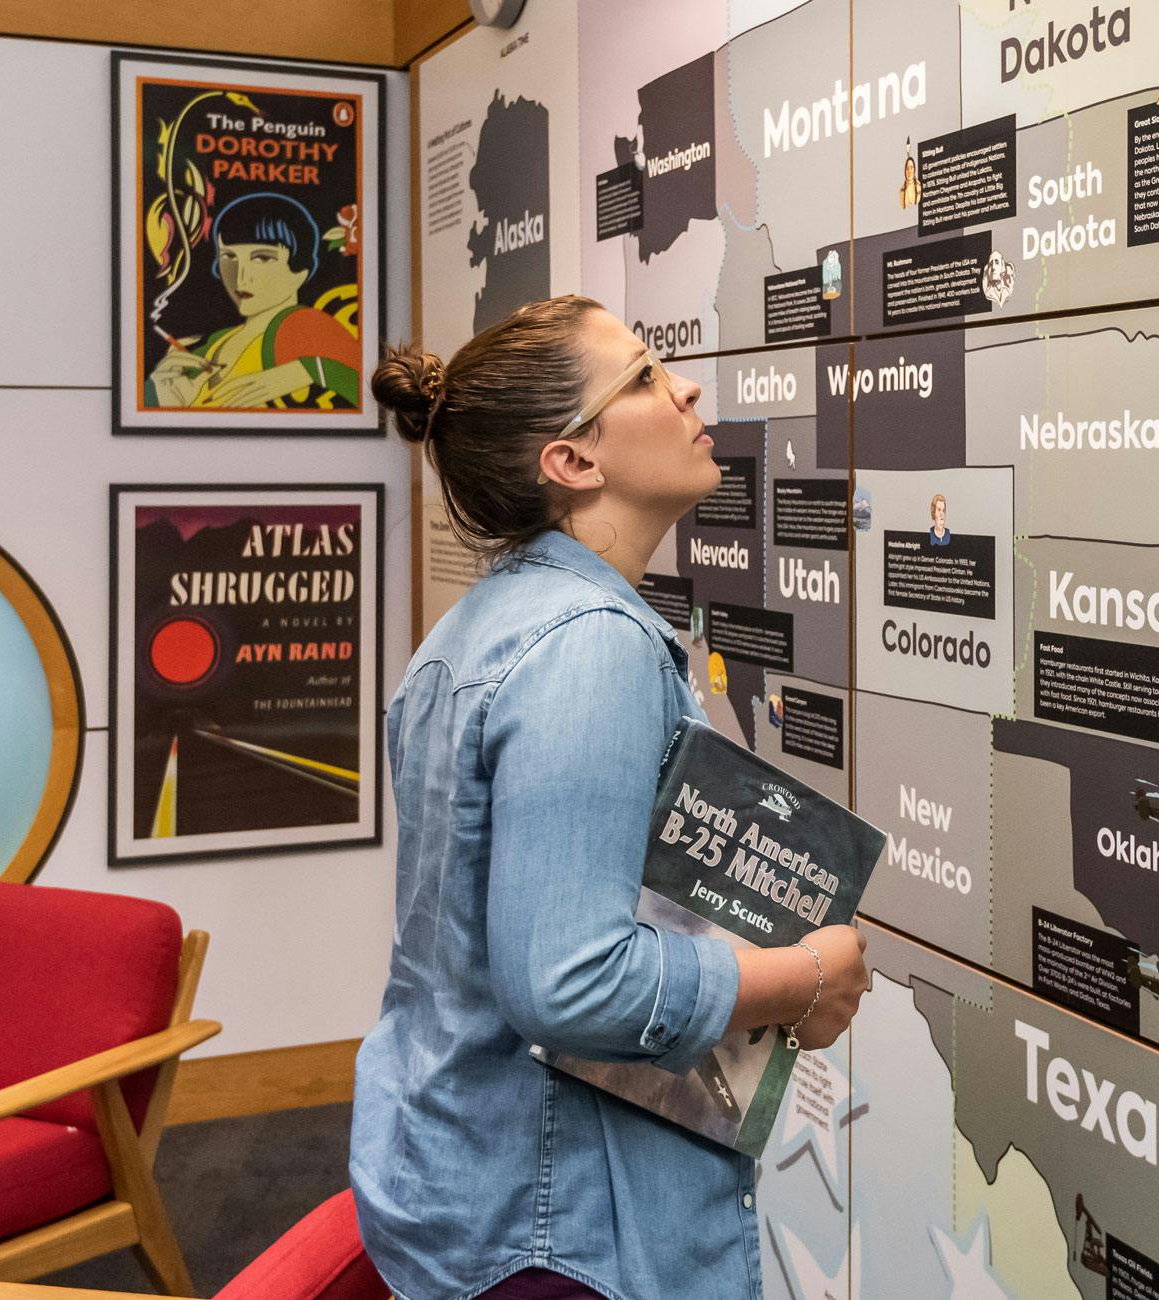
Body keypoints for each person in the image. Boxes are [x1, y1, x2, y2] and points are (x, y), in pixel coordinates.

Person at [357, 295, 871, 1300]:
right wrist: (802, 975)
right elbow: (569, 982)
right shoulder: (590, 647)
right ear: (573, 462)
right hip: (558, 1225)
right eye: (640, 376)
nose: (683, 388)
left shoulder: (488, 626)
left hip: (478, 1186)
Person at [146, 193, 361, 411]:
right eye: (229, 257)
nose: (240, 277)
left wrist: (306, 371)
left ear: (301, 271)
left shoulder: (305, 325)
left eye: (263, 258)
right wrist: (163, 399)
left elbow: (367, 390)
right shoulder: (206, 345)